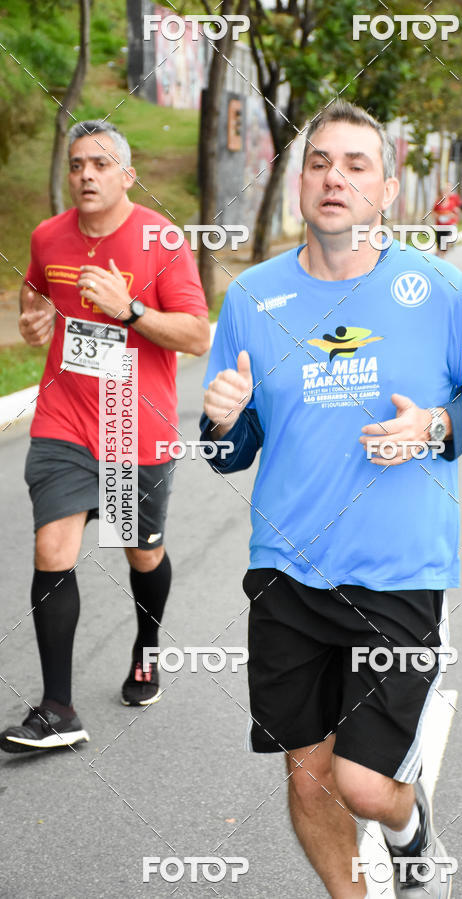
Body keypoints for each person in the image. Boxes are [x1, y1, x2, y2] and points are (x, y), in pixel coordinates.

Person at [200, 101, 462, 898]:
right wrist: (221, 423)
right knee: (309, 780)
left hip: (398, 571)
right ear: (300, 182)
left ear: (385, 190)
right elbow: (226, 452)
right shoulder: (253, 296)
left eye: (355, 164)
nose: (334, 177)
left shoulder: (437, 289)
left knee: (366, 784)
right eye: (319, 163)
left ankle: (410, 840)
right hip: (285, 573)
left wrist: (435, 424)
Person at [0, 121, 209, 753]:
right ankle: (58, 708)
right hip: (64, 418)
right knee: (52, 547)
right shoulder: (48, 236)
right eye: (76, 165)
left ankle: (147, 648)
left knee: (140, 552)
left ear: (126, 174)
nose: (86, 175)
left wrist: (130, 310)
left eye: (99, 164)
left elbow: (197, 337)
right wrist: (32, 320)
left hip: (132, 426)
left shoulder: (161, 240)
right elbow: (34, 292)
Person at [432, 182, 460, 256]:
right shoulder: (437, 203)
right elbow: (433, 212)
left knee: (445, 243)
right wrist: (437, 216)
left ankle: (442, 254)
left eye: (446, 192)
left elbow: (456, 213)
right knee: (439, 244)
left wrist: (451, 215)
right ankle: (440, 256)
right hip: (440, 226)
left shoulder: (452, 202)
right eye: (443, 192)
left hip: (449, 226)